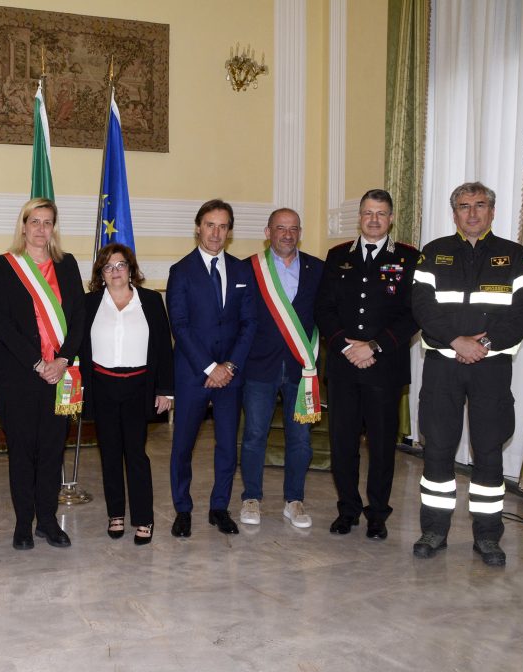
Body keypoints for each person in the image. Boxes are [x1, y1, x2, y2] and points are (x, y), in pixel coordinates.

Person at [411, 182, 523, 567]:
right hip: (443, 366)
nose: (472, 213)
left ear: (492, 211)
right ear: (454, 213)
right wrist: (456, 341)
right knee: (437, 449)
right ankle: (434, 531)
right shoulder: (433, 253)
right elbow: (422, 306)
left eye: (480, 205)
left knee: (488, 451)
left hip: (491, 366)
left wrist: (484, 344)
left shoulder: (515, 255)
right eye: (464, 206)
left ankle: (487, 537)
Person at [315, 189, 419, 540]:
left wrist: (374, 346)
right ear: (359, 217)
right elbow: (323, 309)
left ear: (391, 218)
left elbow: (413, 314)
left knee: (382, 446)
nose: (374, 220)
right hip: (344, 366)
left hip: (384, 367)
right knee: (343, 443)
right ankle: (348, 509)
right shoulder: (338, 256)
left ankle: (377, 513)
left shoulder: (408, 257)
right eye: (368, 213)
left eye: (381, 213)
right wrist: (347, 347)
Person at [0, 198, 85, 550]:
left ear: (53, 228)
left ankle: (47, 521)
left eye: (48, 222)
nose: (41, 229)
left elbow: (79, 318)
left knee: (51, 451)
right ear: (24, 226)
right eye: (35, 221)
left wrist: (62, 360)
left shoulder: (67, 264)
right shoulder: (5, 265)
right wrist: (38, 362)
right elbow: (1, 322)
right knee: (22, 452)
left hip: (60, 375)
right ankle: (23, 524)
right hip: (18, 376)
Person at [166, 199, 257, 538]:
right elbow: (180, 325)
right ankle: (182, 509)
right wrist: (209, 367)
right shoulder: (181, 271)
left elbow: (249, 323)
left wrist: (229, 365)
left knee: (226, 446)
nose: (216, 233)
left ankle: (219, 507)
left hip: (230, 375)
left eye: (223, 226)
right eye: (210, 225)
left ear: (229, 231)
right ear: (198, 228)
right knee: (183, 446)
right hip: (193, 373)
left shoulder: (242, 270)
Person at [80, 244, 173, 545]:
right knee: (109, 454)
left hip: (138, 387)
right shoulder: (90, 303)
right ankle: (115, 514)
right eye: (108, 267)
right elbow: (79, 346)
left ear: (131, 269)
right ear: (101, 274)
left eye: (121, 265)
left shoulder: (151, 301)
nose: (115, 271)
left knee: (136, 454)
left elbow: (163, 348)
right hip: (102, 387)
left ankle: (144, 518)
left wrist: (166, 390)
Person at [239, 208, 324, 528]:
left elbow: (325, 314)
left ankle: (294, 500)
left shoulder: (318, 268)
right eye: (280, 228)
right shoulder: (249, 268)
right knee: (254, 435)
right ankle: (251, 498)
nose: (287, 234)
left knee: (300, 439)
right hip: (259, 367)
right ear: (268, 232)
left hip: (302, 368)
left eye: (293, 229)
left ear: (300, 232)